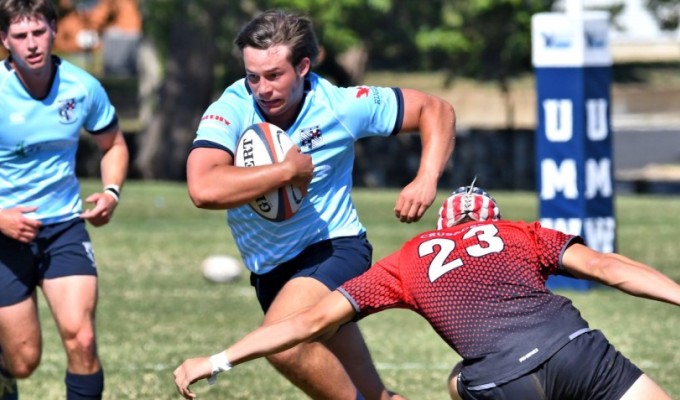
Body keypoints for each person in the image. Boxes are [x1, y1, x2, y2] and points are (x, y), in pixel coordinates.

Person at [174, 184, 680, 400]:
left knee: (459, 382)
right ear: (492, 218)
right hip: (578, 354)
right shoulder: (518, 232)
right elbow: (606, 267)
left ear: (442, 225)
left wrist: (218, 360)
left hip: (501, 384)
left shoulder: (408, 261)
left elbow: (305, 323)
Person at [185, 8, 455, 400]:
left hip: (334, 249)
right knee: (376, 394)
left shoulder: (340, 105)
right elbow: (203, 188)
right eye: (252, 76)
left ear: (303, 67)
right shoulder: (231, 108)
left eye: (275, 75)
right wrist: (285, 172)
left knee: (284, 345)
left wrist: (426, 178)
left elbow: (437, 109)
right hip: (272, 272)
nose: (262, 88)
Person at [0, 0, 129, 399]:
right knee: (23, 361)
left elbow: (114, 146)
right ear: (5, 40)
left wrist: (111, 191)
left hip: (64, 229)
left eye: (39, 32)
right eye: (20, 36)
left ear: (54, 29)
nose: (32, 44)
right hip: (4, 236)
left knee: (83, 339)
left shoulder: (82, 87)